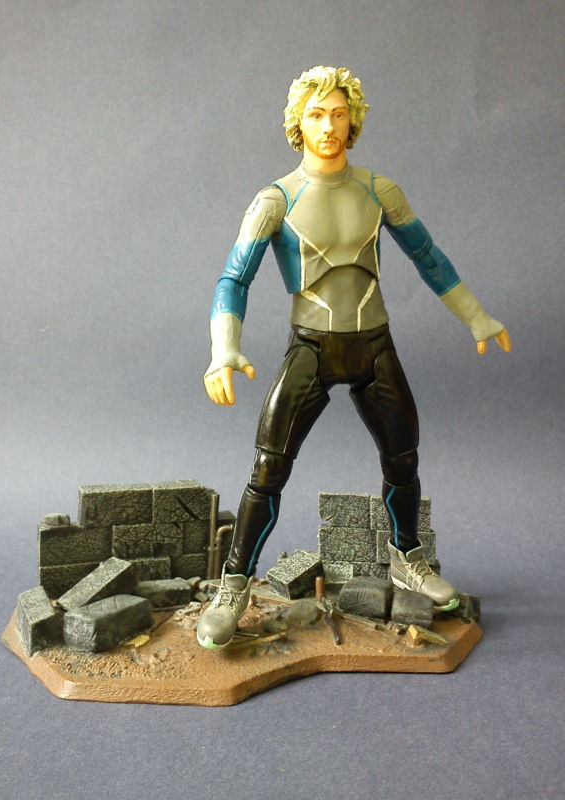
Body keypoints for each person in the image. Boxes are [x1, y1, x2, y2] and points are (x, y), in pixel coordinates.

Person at [197, 66, 510, 650]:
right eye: (316, 115)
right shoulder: (274, 201)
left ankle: (407, 558)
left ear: (353, 120)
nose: (329, 126)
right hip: (311, 349)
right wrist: (224, 350)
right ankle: (234, 583)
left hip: (374, 344)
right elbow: (233, 279)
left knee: (403, 457)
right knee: (268, 470)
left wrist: (476, 316)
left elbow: (428, 256)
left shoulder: (378, 190)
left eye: (338, 114)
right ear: (298, 122)